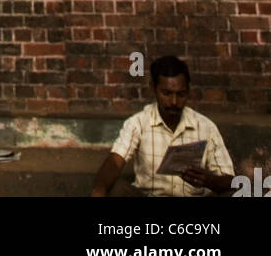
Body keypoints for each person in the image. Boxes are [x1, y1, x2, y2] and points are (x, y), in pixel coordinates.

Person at [91, 55, 234, 197]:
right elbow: (115, 162)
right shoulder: (138, 123)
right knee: (118, 189)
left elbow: (230, 180)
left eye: (181, 94)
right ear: (154, 88)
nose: (174, 101)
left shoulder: (206, 127)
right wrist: (99, 190)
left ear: (188, 91)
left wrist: (209, 180)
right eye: (166, 93)